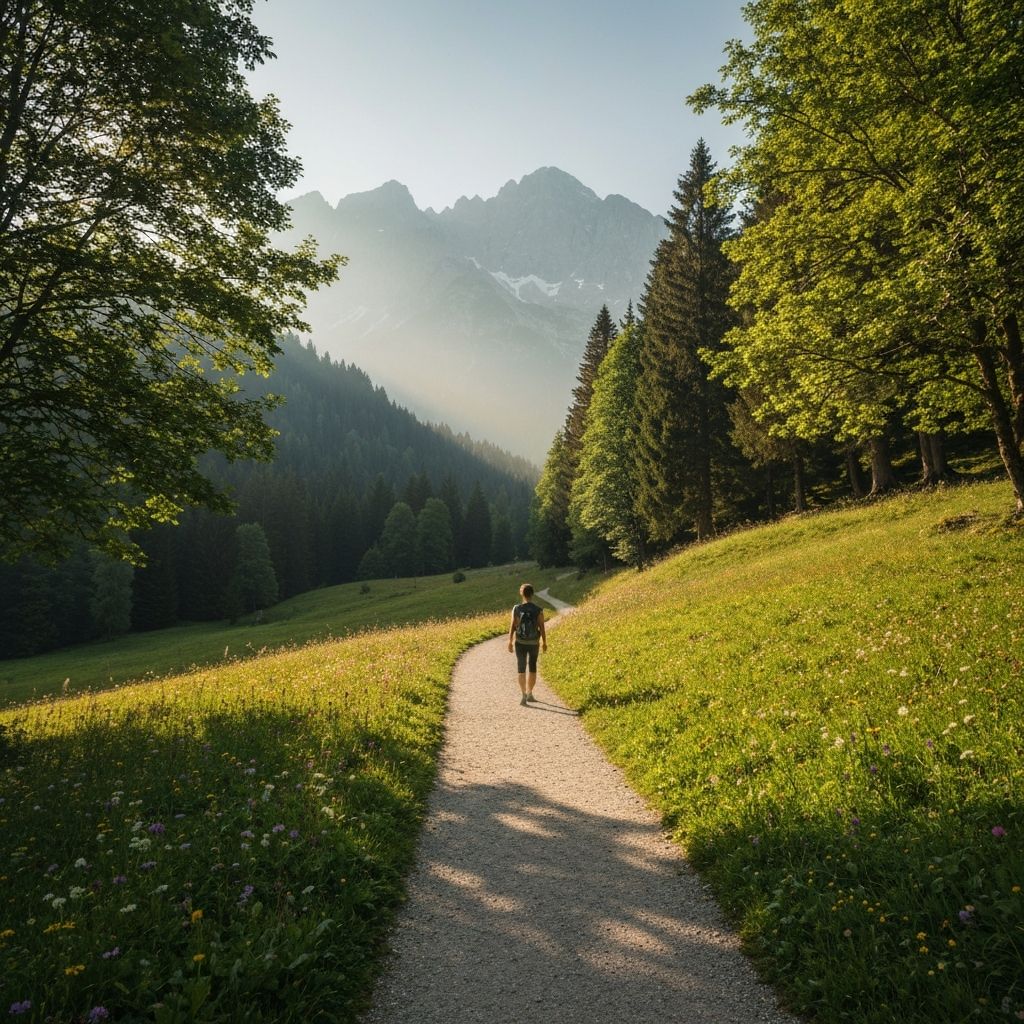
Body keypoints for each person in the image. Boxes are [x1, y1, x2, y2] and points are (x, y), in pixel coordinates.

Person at [508, 582, 547, 706]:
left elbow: (513, 626)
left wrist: (510, 641)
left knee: (521, 668)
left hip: (520, 642)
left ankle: (523, 695)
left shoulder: (517, 608)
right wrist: (544, 642)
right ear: (532, 594)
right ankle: (530, 693)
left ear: (522, 593)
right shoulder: (538, 610)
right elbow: (542, 627)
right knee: (532, 667)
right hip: (534, 642)